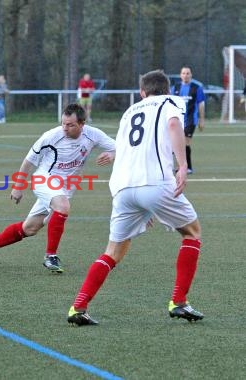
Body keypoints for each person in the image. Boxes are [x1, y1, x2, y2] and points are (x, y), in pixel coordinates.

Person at [67, 70, 204, 326]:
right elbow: (174, 125)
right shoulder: (170, 102)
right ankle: (179, 301)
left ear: (142, 92)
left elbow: (125, 147)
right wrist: (182, 165)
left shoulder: (130, 112)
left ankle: (78, 306)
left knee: (113, 252)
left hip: (122, 187)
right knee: (193, 233)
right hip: (154, 183)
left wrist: (144, 205)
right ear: (168, 90)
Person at [0, 103, 115, 272]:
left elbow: (121, 148)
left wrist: (113, 154)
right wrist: (18, 187)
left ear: (82, 124)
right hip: (44, 179)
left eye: (70, 125)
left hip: (65, 188)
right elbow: (29, 160)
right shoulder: (52, 136)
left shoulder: (93, 134)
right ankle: (50, 256)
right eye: (63, 123)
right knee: (62, 206)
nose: (65, 128)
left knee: (30, 228)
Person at [171, 66, 205, 174]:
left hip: (191, 119)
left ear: (191, 75)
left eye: (188, 73)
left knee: (185, 142)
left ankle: (188, 167)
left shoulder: (196, 88)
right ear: (180, 75)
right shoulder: (175, 88)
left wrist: (201, 120)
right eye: (184, 73)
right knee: (175, 143)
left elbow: (201, 104)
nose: (186, 75)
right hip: (178, 120)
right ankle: (179, 166)